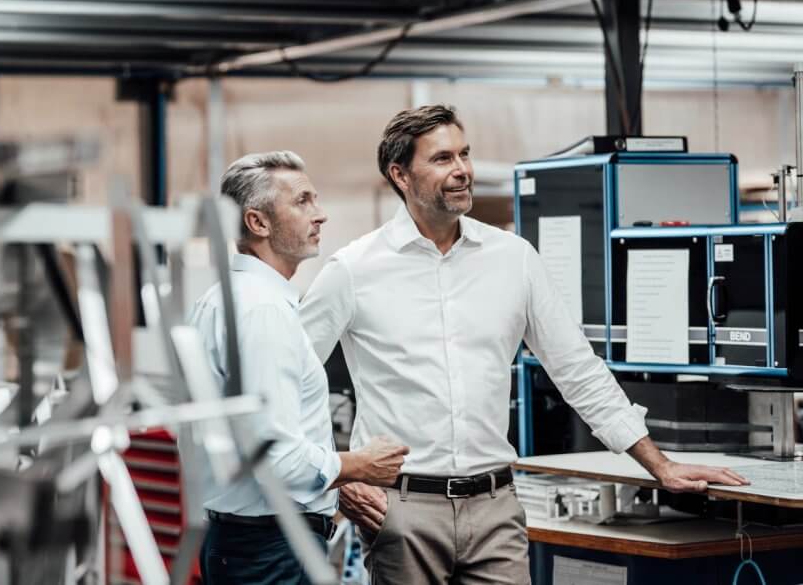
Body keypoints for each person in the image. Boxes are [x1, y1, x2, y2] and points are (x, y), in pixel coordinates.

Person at [299, 105, 749, 584]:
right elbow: (290, 381)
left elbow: (577, 368)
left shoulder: (512, 258)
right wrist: (336, 473)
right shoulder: (353, 269)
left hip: (495, 507)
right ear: (400, 174)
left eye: (465, 154)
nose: (462, 171)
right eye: (442, 159)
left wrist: (661, 466)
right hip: (402, 510)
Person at [183, 150, 410, 585]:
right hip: (269, 549)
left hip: (244, 541)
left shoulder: (227, 298)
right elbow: (274, 458)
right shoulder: (263, 312)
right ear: (258, 223)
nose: (320, 215)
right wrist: (356, 464)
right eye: (302, 201)